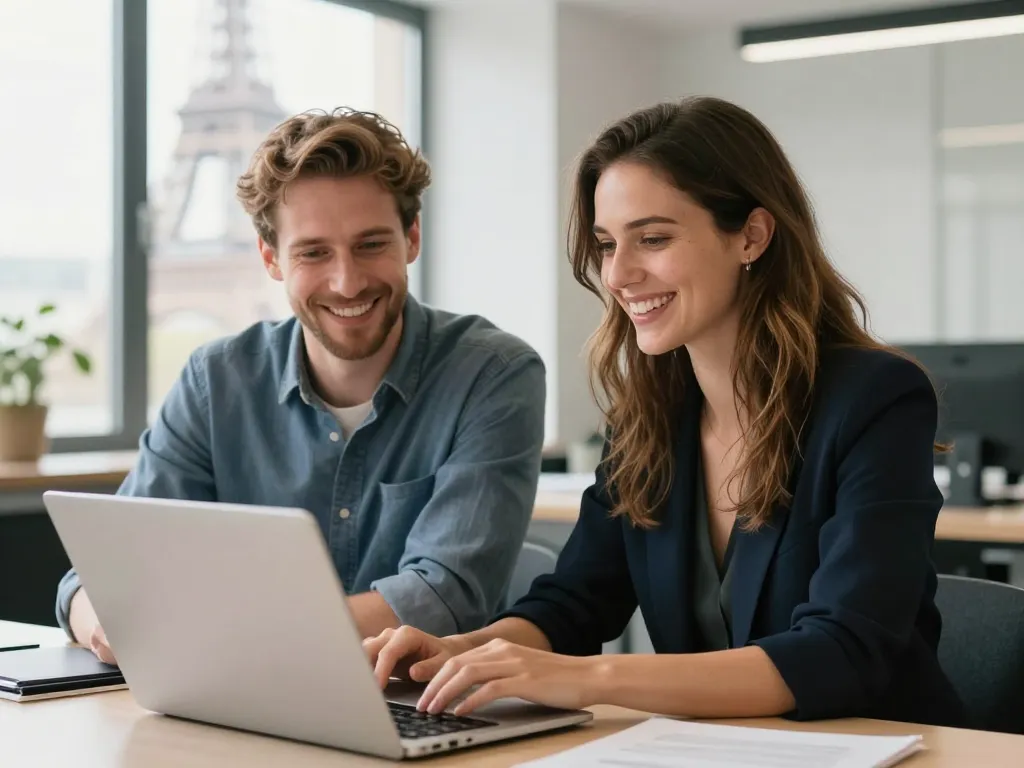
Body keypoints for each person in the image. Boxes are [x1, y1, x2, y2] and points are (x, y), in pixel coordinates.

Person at [364, 96, 967, 728]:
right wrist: (461, 653)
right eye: (605, 244)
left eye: (653, 238)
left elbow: (841, 652)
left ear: (751, 236)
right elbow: (575, 603)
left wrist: (583, 678)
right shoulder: (650, 419)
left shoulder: (875, 399)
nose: (619, 274)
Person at [56, 108, 546, 664]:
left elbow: (443, 596)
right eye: (314, 252)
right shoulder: (214, 381)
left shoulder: (495, 374)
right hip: (236, 696)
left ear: (411, 238)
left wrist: (215, 634)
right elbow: (99, 575)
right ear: (271, 258)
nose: (347, 281)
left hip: (421, 703)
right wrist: (105, 617)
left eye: (370, 245)